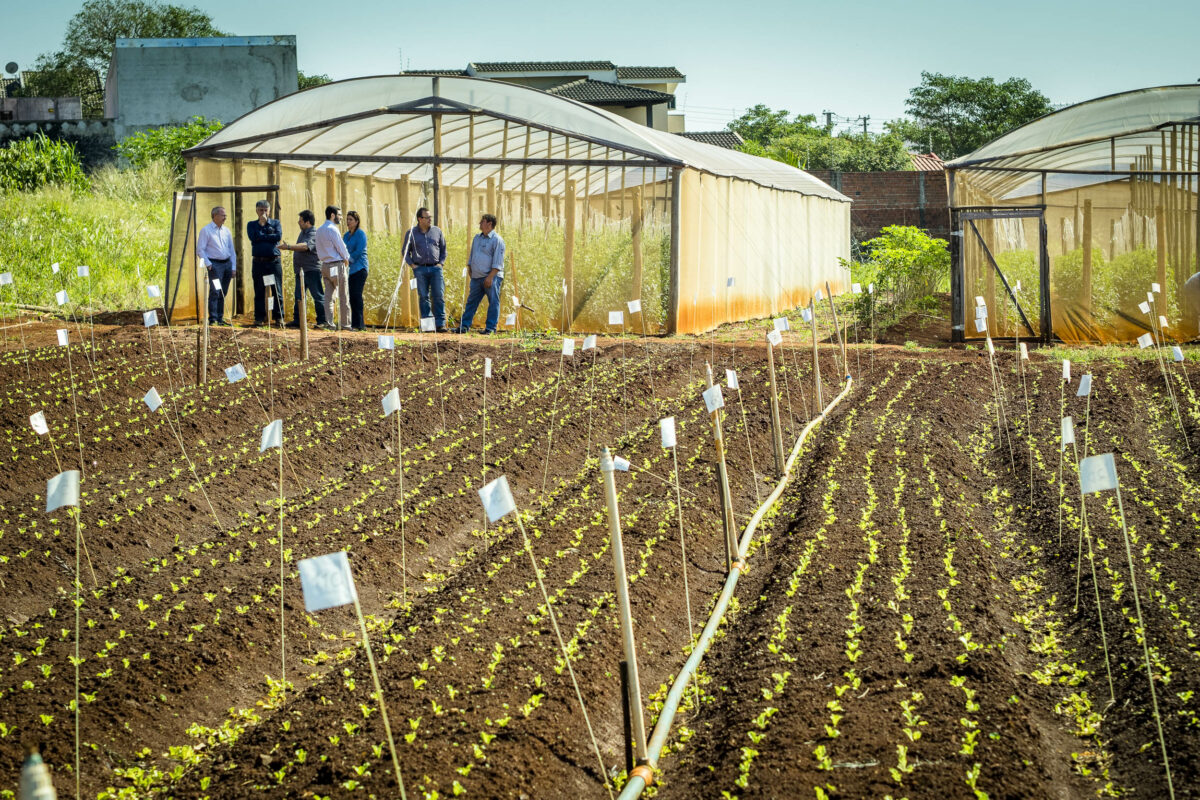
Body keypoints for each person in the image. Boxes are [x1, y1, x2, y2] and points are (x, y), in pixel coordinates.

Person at [280, 210, 329, 330]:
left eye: (300, 220)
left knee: (317, 295)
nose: (298, 222)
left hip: (311, 269)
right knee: (299, 296)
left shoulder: (313, 233)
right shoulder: (303, 233)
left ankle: (323, 321)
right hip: (301, 270)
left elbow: (306, 246)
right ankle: (298, 320)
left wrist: (288, 247)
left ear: (307, 222)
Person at [458, 213, 506, 334]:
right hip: (476, 278)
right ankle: (464, 326)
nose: (480, 223)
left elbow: (498, 262)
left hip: (491, 277)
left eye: (482, 221)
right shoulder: (477, 238)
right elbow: (472, 255)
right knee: (471, 302)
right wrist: (470, 268)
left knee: (493, 302)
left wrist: (490, 277)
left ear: (489, 224)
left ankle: (490, 328)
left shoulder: (497, 240)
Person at [404, 207, 449, 332]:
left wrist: (441, 264)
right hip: (420, 269)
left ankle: (440, 324)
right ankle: (428, 325)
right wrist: (413, 265)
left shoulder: (437, 231)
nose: (430, 219)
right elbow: (405, 252)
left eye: (430, 217)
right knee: (423, 296)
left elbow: (443, 249)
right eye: (427, 217)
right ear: (420, 219)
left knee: (439, 295)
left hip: (436, 269)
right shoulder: (411, 233)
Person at [247, 199, 285, 327]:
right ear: (256, 211)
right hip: (258, 262)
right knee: (259, 291)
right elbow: (253, 237)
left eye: (265, 210)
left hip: (273, 262)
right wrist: (265, 229)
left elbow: (278, 237)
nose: (263, 212)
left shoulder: (276, 223)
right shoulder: (251, 224)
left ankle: (279, 318)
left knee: (277, 291)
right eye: (261, 210)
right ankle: (259, 318)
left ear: (269, 211)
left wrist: (263, 231)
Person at [196, 206, 236, 326]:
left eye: (225, 215)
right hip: (215, 265)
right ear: (215, 216)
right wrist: (209, 265)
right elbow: (200, 250)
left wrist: (233, 267)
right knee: (215, 291)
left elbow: (232, 250)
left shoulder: (226, 231)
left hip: (227, 263)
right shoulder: (206, 230)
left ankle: (220, 317)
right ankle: (213, 318)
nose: (225, 217)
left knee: (223, 291)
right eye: (223, 215)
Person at [315, 205, 352, 330]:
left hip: (325, 266)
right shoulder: (333, 229)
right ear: (332, 215)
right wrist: (346, 258)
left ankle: (330, 323)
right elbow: (340, 246)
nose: (341, 218)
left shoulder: (319, 230)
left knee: (328, 297)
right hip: (337, 264)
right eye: (339, 215)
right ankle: (345, 324)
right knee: (343, 295)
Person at [343, 210, 369, 331]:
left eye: (351, 220)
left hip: (360, 268)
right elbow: (342, 249)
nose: (348, 222)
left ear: (356, 221)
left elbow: (359, 251)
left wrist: (348, 259)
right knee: (350, 296)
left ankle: (360, 324)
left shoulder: (361, 234)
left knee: (356, 294)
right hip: (350, 270)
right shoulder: (345, 236)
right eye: (347, 219)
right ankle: (353, 323)